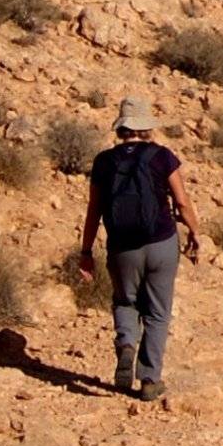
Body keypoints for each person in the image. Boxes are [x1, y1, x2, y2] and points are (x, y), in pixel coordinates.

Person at [73, 97, 199, 399]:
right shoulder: (162, 157)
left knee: (125, 302)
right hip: (161, 242)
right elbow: (181, 201)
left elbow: (94, 210)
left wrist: (86, 251)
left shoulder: (104, 161)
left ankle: (127, 344)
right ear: (146, 128)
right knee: (157, 312)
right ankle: (149, 379)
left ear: (122, 129)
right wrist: (195, 232)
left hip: (121, 247)